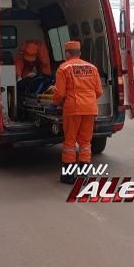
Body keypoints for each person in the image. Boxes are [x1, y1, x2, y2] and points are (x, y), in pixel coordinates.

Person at [53, 41, 103, 184]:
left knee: (69, 143)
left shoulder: (64, 68)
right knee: (85, 142)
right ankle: (83, 176)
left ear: (67, 54)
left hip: (73, 109)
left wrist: (54, 103)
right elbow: (99, 91)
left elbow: (59, 93)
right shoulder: (92, 68)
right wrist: (89, 99)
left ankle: (68, 176)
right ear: (79, 53)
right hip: (90, 109)